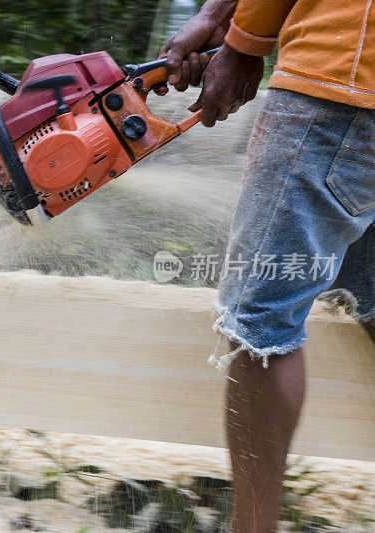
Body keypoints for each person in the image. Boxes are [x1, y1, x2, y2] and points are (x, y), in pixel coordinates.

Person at [158, 1, 375, 531]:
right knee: (368, 287)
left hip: (339, 76)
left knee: (260, 314)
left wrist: (242, 44)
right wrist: (220, 17)